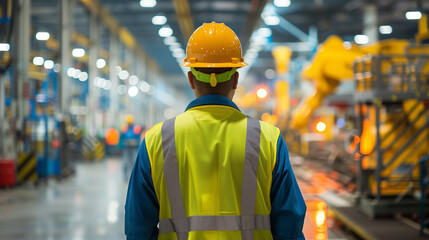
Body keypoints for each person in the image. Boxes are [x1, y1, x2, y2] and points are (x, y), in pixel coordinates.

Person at [125, 22, 306, 240]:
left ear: (191, 79)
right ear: (236, 80)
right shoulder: (269, 139)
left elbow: (137, 229)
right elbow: (290, 226)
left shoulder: (155, 140)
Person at [121, 114, 141, 181]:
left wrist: (136, 144)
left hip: (133, 148)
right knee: (125, 162)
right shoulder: (124, 128)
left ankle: (133, 177)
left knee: (133, 162)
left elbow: (138, 137)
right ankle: (125, 176)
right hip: (126, 148)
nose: (129, 123)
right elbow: (121, 138)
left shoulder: (135, 128)